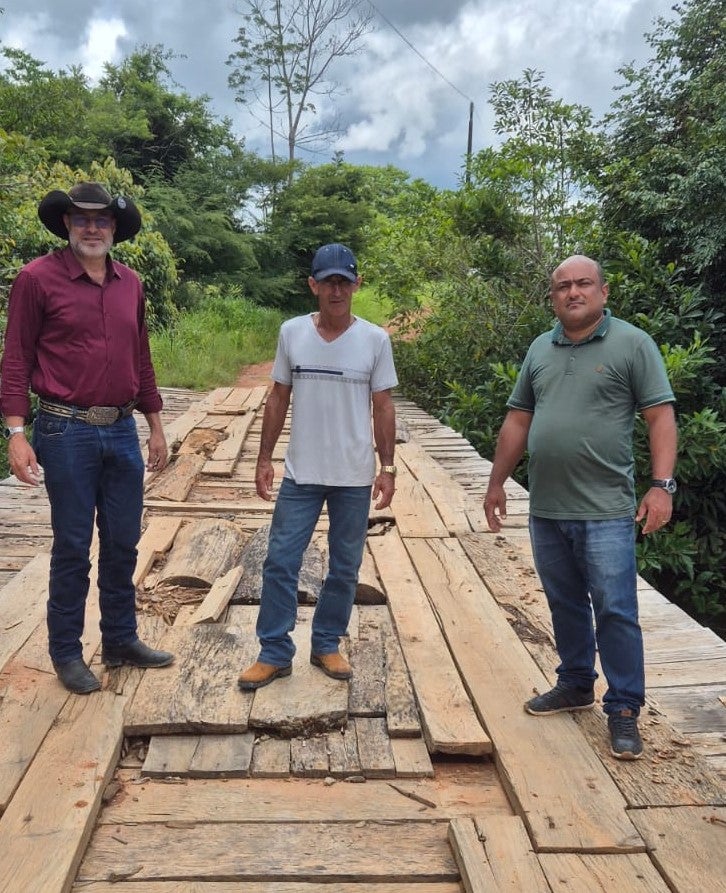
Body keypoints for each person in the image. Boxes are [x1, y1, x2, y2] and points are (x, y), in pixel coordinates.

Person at [483, 255, 677, 760]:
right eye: (562, 286)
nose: (573, 292)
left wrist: (662, 486)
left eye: (583, 284)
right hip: (546, 508)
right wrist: (496, 482)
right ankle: (574, 683)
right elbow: (518, 421)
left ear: (603, 291)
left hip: (607, 510)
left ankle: (624, 708)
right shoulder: (539, 350)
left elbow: (660, 418)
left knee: (615, 608)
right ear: (553, 297)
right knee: (564, 602)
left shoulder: (633, 344)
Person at [0, 182, 174, 695]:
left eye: (101, 221)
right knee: (74, 546)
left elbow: (139, 358)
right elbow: (15, 362)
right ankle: (66, 652)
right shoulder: (36, 280)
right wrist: (16, 433)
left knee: (123, 541)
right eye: (81, 220)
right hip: (63, 428)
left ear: (115, 229)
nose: (92, 228)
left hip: (121, 429)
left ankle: (120, 639)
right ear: (67, 225)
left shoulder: (130, 283)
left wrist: (156, 422)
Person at [238, 242, 398, 690]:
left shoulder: (374, 340)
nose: (336, 290)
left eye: (343, 282)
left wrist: (388, 468)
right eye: (327, 282)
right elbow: (277, 397)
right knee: (280, 561)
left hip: (353, 476)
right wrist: (264, 458)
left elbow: (383, 406)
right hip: (302, 473)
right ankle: (273, 651)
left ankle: (327, 643)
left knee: (345, 567)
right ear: (313, 285)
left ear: (355, 285)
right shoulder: (292, 333)